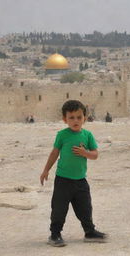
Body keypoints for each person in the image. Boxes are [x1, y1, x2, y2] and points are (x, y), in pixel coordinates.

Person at [40, 100, 107, 247]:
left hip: (81, 180)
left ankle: (89, 232)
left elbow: (95, 155)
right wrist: (46, 170)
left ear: (84, 118)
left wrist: (85, 153)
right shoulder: (62, 135)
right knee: (59, 209)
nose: (75, 121)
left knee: (85, 207)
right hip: (63, 180)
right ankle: (55, 234)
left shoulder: (88, 135)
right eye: (71, 117)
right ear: (65, 119)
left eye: (79, 117)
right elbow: (54, 153)